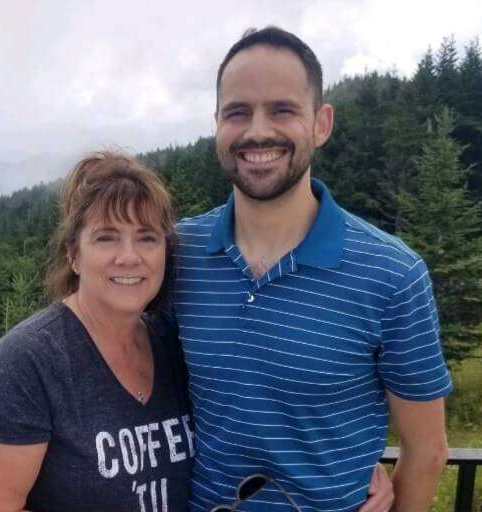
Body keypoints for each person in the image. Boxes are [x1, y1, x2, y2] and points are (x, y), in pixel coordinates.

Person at [172, 27, 452, 512]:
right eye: (238, 112)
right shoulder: (178, 253)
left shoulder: (392, 274)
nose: (258, 130)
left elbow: (427, 450)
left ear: (321, 123)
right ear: (217, 123)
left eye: (282, 110)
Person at [0, 152, 194, 511]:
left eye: (147, 238)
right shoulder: (27, 362)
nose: (129, 256)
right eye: (106, 238)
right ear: (74, 255)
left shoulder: (172, 345)